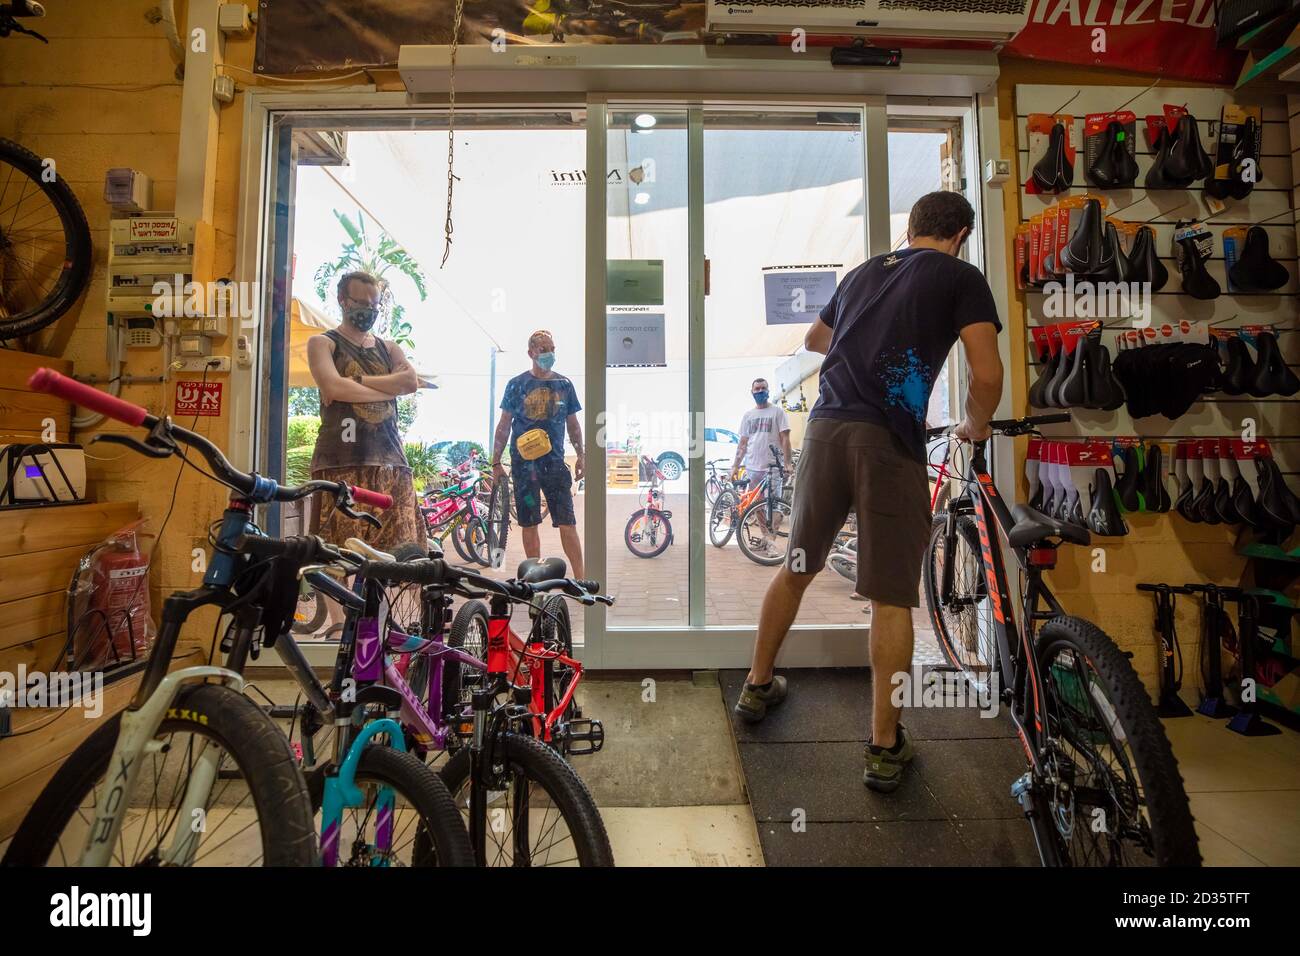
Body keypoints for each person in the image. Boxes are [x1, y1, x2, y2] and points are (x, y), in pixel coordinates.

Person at [733, 191, 1005, 794]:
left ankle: (756, 688)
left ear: (910, 229)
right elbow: (987, 374)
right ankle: (884, 748)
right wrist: (973, 426)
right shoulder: (961, 276)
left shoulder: (862, 272)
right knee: (889, 596)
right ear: (961, 233)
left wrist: (865, 349)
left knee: (796, 566)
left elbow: (814, 339)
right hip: (887, 440)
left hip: (827, 430)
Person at [306, 270, 422, 557]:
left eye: (374, 305)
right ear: (343, 301)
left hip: (390, 464)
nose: (368, 310)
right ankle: (332, 605)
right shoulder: (323, 343)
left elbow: (410, 382)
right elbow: (333, 387)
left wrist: (356, 383)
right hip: (339, 463)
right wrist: (388, 389)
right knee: (333, 555)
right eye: (360, 302)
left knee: (394, 555)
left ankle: (374, 604)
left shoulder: (389, 348)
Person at [492, 330, 585, 577]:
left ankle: (581, 579)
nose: (549, 354)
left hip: (554, 466)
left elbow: (573, 425)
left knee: (567, 521)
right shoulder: (516, 385)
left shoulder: (564, 385)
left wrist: (582, 455)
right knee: (529, 521)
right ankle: (535, 580)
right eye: (543, 349)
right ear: (531, 353)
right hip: (525, 469)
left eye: (552, 348)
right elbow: (503, 425)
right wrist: (495, 463)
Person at [730, 377, 793, 552]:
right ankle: (766, 538)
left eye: (763, 388)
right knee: (757, 505)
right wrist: (735, 465)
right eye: (756, 389)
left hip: (773, 466)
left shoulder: (777, 412)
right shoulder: (748, 416)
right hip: (753, 467)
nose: (759, 391)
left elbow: (785, 438)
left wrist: (787, 462)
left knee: (775, 506)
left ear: (768, 390)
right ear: (752, 392)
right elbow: (743, 443)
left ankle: (772, 542)